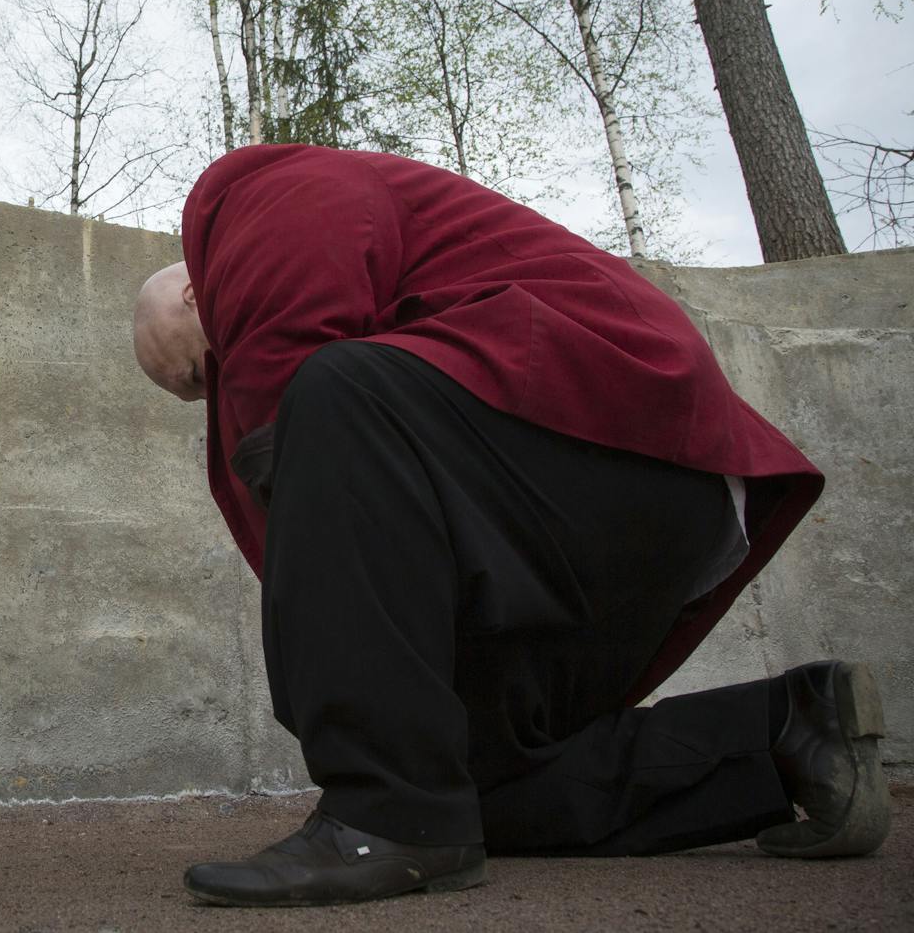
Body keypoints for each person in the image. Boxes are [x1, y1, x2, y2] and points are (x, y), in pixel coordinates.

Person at [132, 143, 890, 908]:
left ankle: (380, 821)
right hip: (596, 506)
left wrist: (285, 477)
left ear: (201, 294)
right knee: (465, 773)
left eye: (196, 373)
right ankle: (789, 734)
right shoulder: (385, 409)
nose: (210, 394)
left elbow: (298, 371)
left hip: (613, 420)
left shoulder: (258, 200)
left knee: (329, 392)